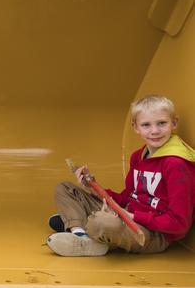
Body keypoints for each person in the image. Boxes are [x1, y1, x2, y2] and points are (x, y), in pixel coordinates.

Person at [47, 95, 195, 257]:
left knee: (103, 222)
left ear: (174, 123)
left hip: (152, 233)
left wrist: (132, 216)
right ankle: (80, 233)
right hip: (125, 216)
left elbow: (179, 223)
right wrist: (93, 186)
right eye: (146, 125)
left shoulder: (177, 164)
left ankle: (79, 224)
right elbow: (126, 198)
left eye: (162, 123)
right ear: (136, 127)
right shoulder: (138, 156)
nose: (154, 131)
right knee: (65, 188)